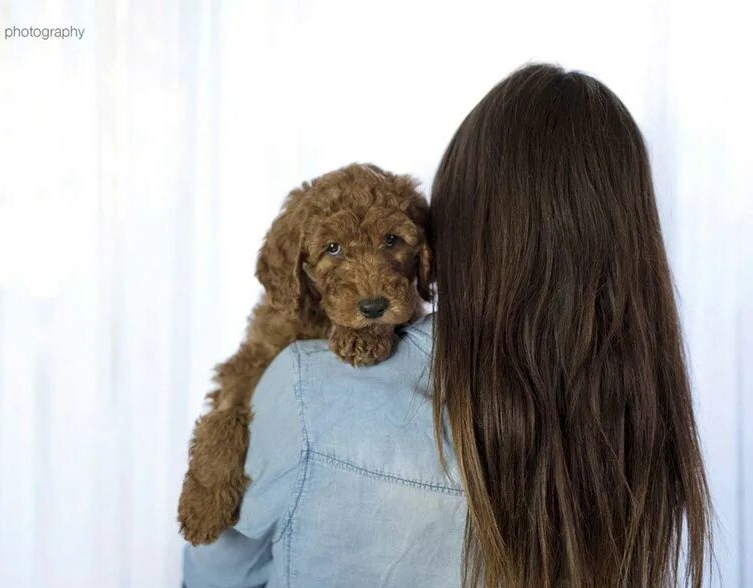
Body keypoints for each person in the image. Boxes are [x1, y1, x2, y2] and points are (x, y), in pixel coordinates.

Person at [183, 64, 712, 587]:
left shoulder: (306, 390)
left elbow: (212, 573)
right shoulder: (639, 433)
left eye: (394, 241)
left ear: (450, 229)